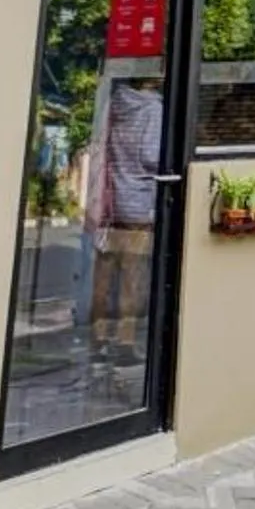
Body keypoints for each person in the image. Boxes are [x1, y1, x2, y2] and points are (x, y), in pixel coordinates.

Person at [87, 73, 165, 365]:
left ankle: (98, 339)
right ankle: (126, 342)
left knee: (104, 272)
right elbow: (151, 155)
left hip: (108, 201)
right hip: (139, 201)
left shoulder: (116, 102)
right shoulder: (153, 108)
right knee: (133, 274)